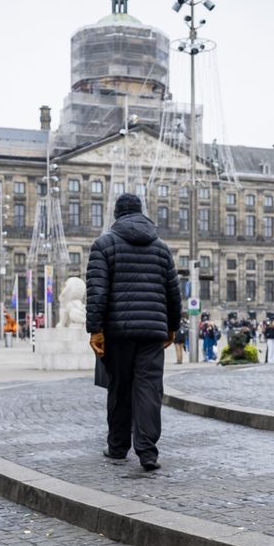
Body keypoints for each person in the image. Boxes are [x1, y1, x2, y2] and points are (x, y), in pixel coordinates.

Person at [87, 193, 180, 472]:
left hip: (118, 332)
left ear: (116, 215)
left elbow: (97, 292)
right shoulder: (161, 248)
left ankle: (117, 448)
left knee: (120, 388)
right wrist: (172, 327)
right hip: (152, 332)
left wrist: (95, 330)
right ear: (142, 213)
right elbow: (173, 293)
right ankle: (147, 452)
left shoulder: (103, 244)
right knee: (149, 390)